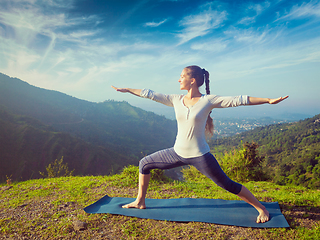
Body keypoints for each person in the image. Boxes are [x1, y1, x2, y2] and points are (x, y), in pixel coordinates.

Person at [112, 65, 288, 223]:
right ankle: (140, 201)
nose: (179, 79)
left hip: (200, 156)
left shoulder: (208, 101)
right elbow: (149, 94)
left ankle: (261, 208)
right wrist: (127, 90)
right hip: (176, 152)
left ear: (192, 80)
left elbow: (239, 99)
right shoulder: (175, 99)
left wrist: (268, 100)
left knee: (228, 185)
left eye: (182, 76)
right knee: (144, 163)